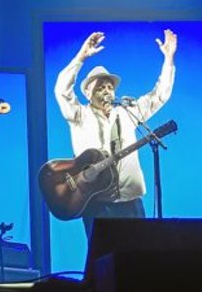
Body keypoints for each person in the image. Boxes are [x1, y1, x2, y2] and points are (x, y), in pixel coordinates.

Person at [54, 30, 177, 239]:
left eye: (110, 87)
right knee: (103, 255)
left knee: (139, 254)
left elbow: (159, 96)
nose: (107, 91)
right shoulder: (79, 115)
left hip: (131, 202)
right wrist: (81, 57)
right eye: (100, 87)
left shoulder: (127, 112)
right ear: (88, 93)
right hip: (96, 203)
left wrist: (168, 59)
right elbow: (61, 91)